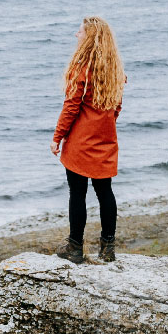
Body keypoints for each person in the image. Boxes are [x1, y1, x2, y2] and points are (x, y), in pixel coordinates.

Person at [51, 16, 124, 263]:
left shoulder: (82, 68)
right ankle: (108, 248)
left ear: (89, 37)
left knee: (77, 193)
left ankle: (74, 248)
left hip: (81, 143)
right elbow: (116, 108)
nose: (76, 35)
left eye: (80, 31)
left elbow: (71, 106)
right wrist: (104, 124)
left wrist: (57, 137)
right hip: (105, 140)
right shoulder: (115, 70)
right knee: (105, 192)